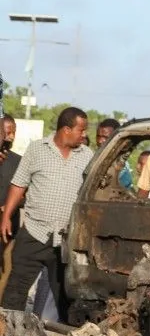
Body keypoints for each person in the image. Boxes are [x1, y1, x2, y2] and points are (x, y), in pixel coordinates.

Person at [0, 107, 93, 318]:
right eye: (81, 130)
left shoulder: (87, 155)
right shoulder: (37, 149)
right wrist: (6, 218)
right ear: (67, 129)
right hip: (34, 233)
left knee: (63, 296)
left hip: (65, 240)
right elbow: (18, 185)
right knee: (16, 290)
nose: (84, 135)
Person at [0, 114, 24, 299]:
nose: (10, 137)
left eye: (13, 132)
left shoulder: (19, 162)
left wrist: (9, 206)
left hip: (9, 228)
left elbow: (26, 194)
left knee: (7, 269)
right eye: (6, 132)